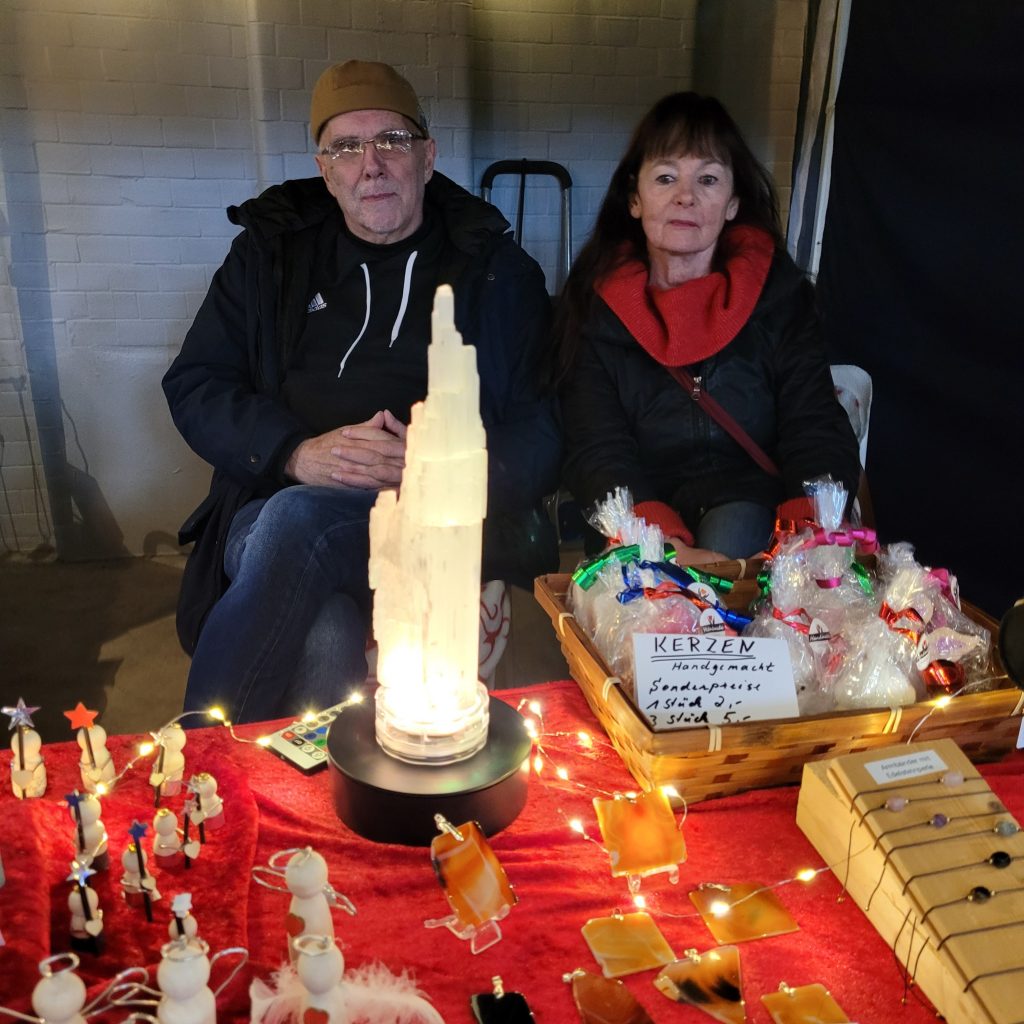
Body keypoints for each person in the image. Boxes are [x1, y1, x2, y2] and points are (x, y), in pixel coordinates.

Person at [163, 60, 560, 724]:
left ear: (427, 157)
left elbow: (544, 428)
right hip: (274, 502)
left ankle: (201, 774)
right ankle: (257, 789)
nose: (370, 164)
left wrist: (444, 471)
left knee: (325, 624)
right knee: (296, 527)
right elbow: (196, 383)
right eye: (346, 146)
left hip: (438, 519)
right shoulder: (271, 257)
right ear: (325, 168)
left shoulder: (499, 274)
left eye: (391, 141)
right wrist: (295, 454)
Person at [554, 92, 860, 562]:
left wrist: (806, 530)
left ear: (733, 202)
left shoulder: (780, 298)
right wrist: (657, 539)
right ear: (634, 199)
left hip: (751, 507)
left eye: (709, 179)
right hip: (638, 512)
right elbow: (596, 446)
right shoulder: (594, 307)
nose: (686, 196)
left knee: (733, 538)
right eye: (666, 177)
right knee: (655, 582)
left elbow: (814, 423)